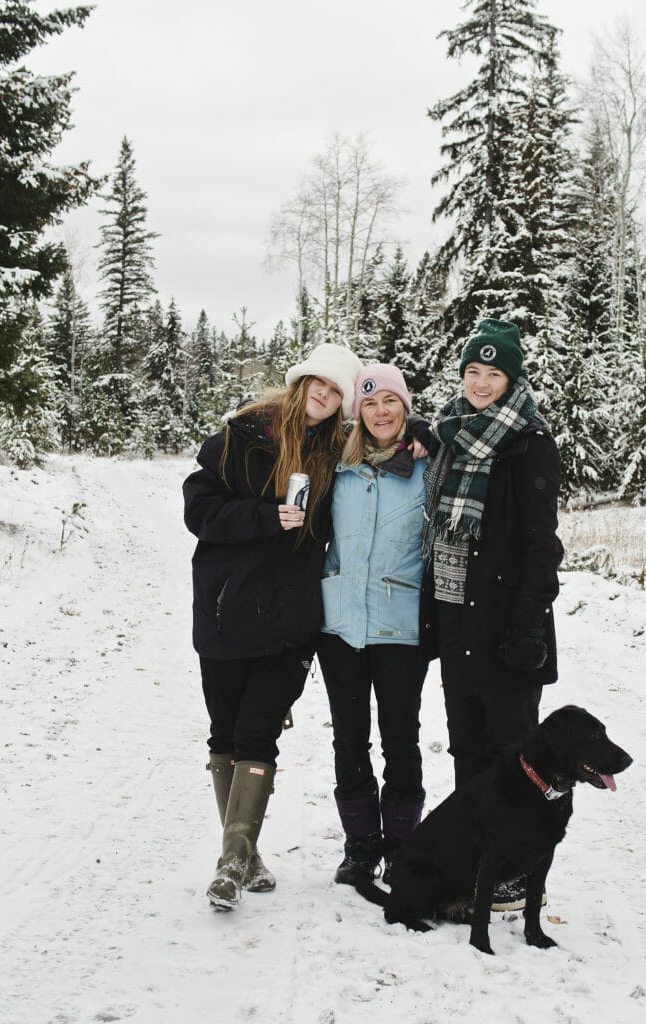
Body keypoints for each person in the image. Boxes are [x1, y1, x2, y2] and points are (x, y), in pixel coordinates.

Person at [183, 342, 363, 909]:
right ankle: (246, 854)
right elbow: (197, 509)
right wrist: (262, 518)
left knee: (258, 733)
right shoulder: (243, 435)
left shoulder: (340, 455)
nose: (324, 396)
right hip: (228, 610)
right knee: (225, 733)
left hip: (291, 622)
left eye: (336, 392)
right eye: (320, 383)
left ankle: (231, 862)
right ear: (302, 381)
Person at [420, 318, 562, 909]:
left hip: (506, 628)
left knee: (514, 759)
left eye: (493, 373)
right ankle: (477, 862)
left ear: (511, 379)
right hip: (457, 620)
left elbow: (541, 543)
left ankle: (519, 874)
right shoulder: (449, 435)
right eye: (472, 372)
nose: (481, 383)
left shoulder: (530, 443)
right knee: (467, 749)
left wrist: (529, 621)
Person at [317, 364, 428, 887]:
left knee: (401, 739)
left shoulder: (430, 466)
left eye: (391, 401)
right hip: (339, 625)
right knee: (348, 739)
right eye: (370, 402)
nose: (381, 411)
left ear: (405, 407)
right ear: (356, 412)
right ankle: (361, 844)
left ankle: (404, 845)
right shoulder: (337, 467)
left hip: (399, 626)